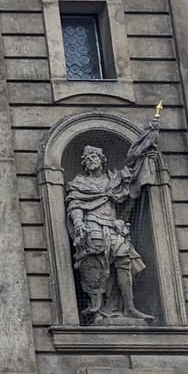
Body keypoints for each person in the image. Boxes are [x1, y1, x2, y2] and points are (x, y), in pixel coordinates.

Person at [66, 129, 157, 324]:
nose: (91, 161)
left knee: (124, 262)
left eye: (94, 157)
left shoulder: (113, 180)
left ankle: (129, 307)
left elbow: (132, 173)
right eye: (87, 159)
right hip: (92, 226)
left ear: (102, 160)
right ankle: (97, 309)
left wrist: (145, 154)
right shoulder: (79, 183)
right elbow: (75, 205)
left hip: (114, 228)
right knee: (95, 266)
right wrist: (79, 222)